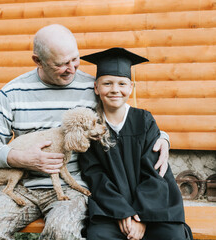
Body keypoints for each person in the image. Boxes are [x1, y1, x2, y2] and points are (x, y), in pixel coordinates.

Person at [0, 24, 171, 240]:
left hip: (73, 187)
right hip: (22, 185)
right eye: (61, 64)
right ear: (38, 60)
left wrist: (162, 138)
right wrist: (20, 158)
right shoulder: (13, 92)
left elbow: (126, 120)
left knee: (62, 232)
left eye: (75, 59)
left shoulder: (92, 88)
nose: (71, 68)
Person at [79, 48, 193, 240]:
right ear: (96, 88)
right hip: (111, 210)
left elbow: (155, 170)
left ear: (131, 87)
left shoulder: (144, 120)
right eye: (107, 83)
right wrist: (122, 212)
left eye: (121, 83)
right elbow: (94, 175)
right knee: (99, 236)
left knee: (172, 235)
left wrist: (142, 218)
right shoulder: (92, 126)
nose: (115, 89)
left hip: (153, 207)